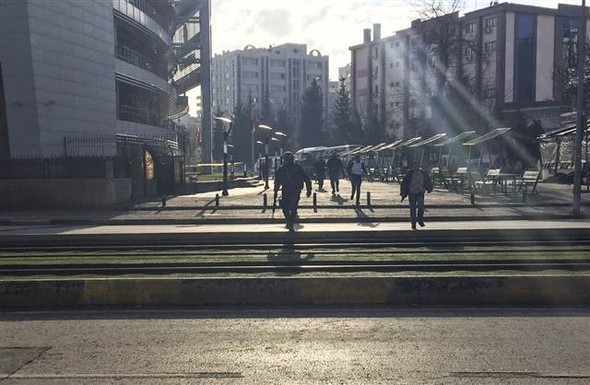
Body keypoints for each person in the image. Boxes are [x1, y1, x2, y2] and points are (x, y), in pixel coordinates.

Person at [274, 151, 312, 231]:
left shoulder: (294, 168)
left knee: (291, 207)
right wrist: (276, 190)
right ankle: (289, 220)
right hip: (290, 189)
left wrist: (309, 189)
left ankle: (290, 221)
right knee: (288, 207)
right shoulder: (284, 169)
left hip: (293, 189)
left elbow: (306, 178)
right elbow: (277, 180)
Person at [400, 162, 433, 230]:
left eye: (417, 166)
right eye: (415, 166)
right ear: (413, 167)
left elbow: (428, 181)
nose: (416, 167)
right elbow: (404, 183)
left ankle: (420, 220)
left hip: (420, 192)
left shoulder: (423, 173)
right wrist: (403, 192)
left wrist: (429, 188)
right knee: (412, 209)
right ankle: (413, 224)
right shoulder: (409, 174)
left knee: (421, 207)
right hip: (412, 193)